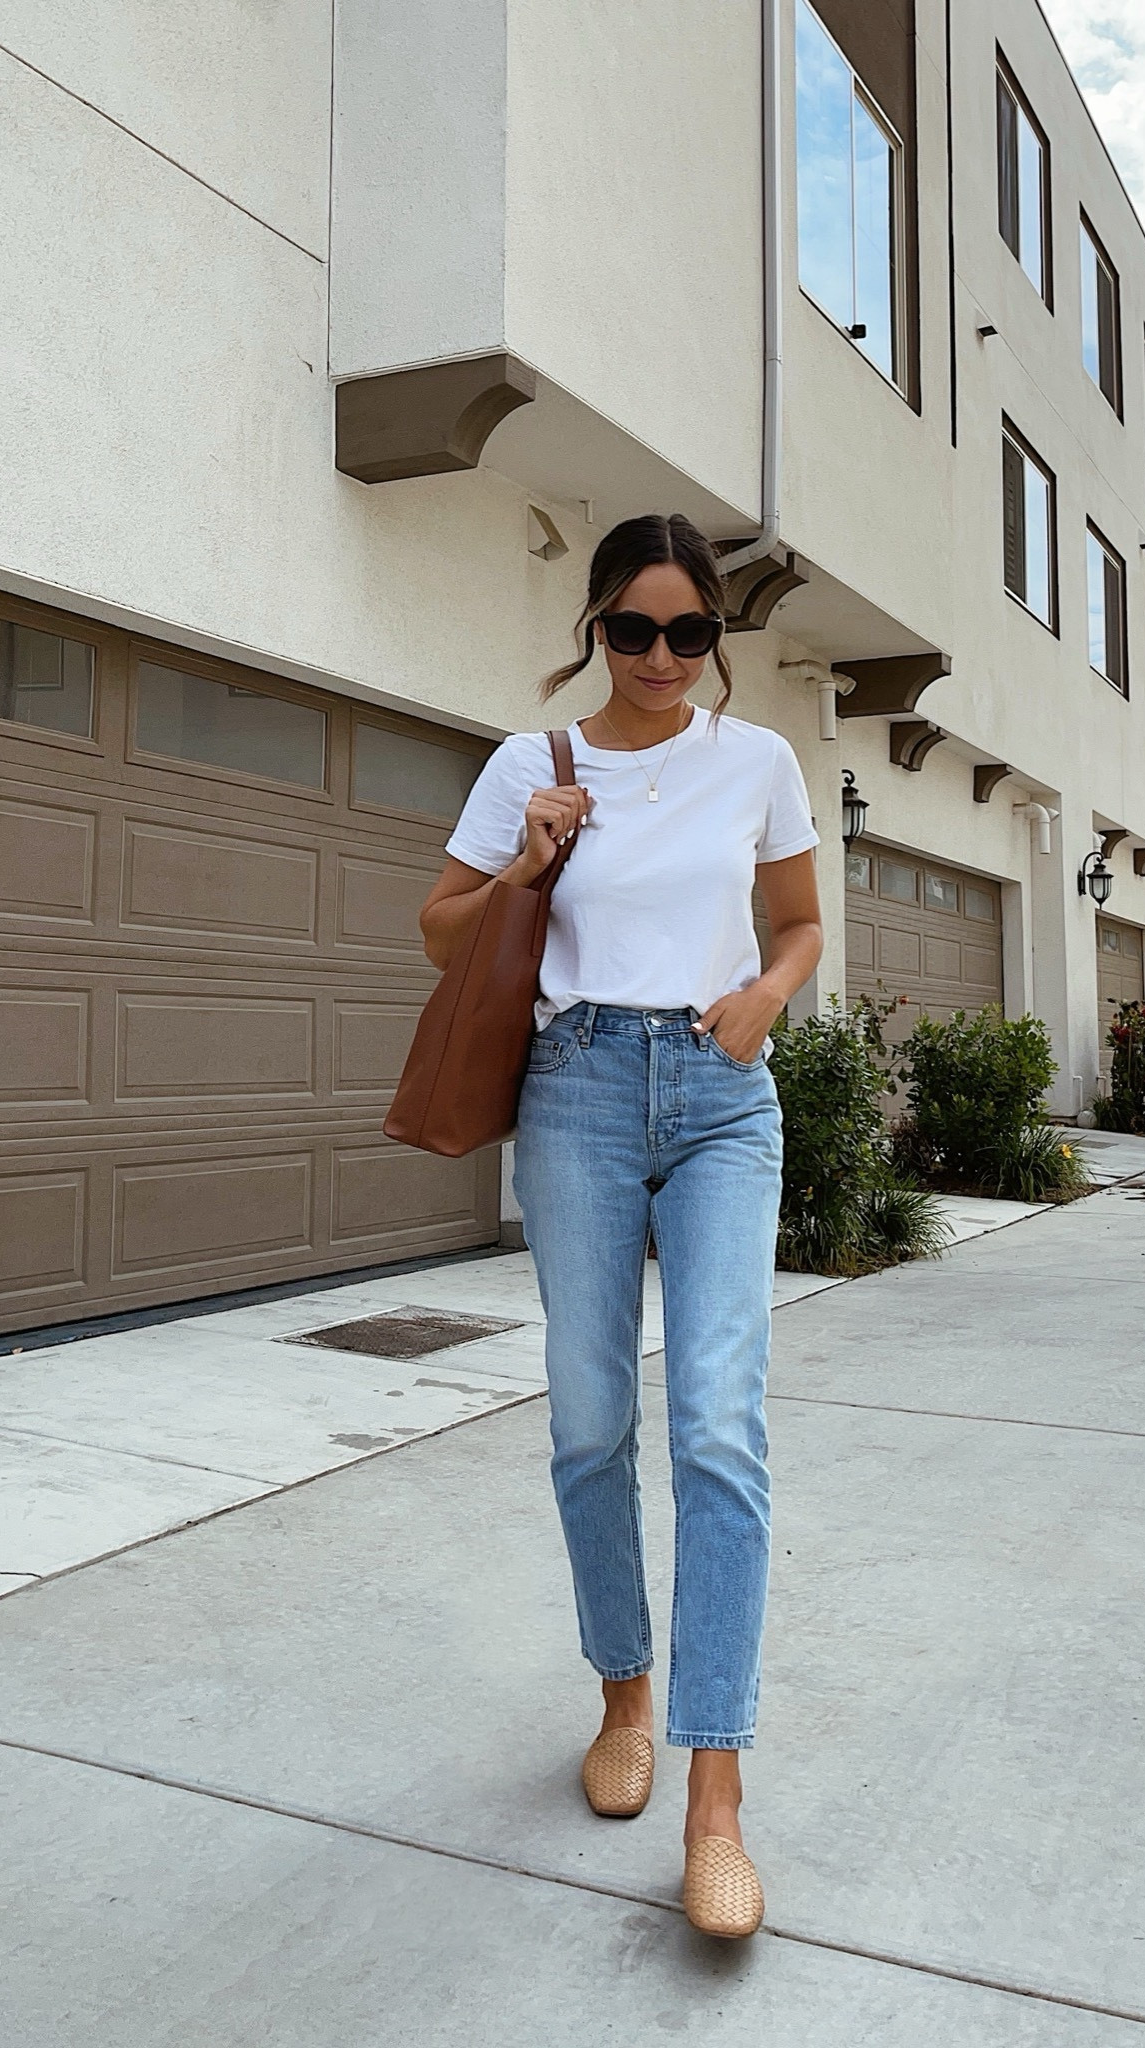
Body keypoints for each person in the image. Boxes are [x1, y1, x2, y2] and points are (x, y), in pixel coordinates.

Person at [419, 512, 823, 1938]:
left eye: (691, 632)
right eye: (634, 629)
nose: (662, 657)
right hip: (578, 1087)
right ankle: (624, 1698)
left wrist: (767, 1002)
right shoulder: (534, 764)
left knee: (720, 1423)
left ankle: (716, 1802)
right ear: (597, 626)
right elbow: (439, 927)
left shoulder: (758, 764)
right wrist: (529, 861)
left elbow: (798, 926)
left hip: (719, 1098)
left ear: (718, 638)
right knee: (592, 1419)